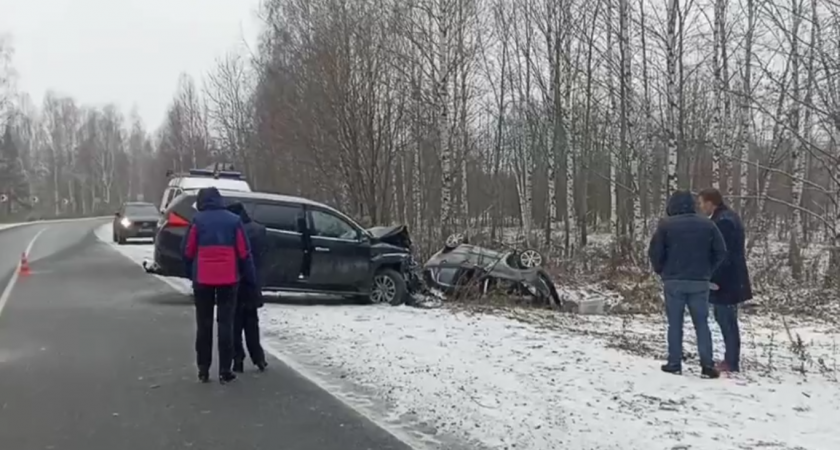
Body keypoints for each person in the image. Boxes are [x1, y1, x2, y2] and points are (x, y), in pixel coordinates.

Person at [648, 190, 727, 379]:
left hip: (674, 280)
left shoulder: (666, 225)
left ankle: (674, 362)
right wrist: (708, 270)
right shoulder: (707, 224)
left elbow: (655, 252)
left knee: (675, 324)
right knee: (702, 324)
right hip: (699, 281)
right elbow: (720, 251)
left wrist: (662, 270)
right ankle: (707, 364)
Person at [182, 187, 256, 384]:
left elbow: (188, 250)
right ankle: (225, 369)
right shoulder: (234, 220)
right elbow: (244, 252)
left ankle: (203, 369)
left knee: (203, 324)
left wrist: (191, 272)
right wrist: (249, 277)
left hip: (203, 279)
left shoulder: (198, 220)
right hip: (229, 279)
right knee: (226, 324)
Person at [698, 188, 753, 373]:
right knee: (725, 319)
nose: (700, 207)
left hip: (727, 280)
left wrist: (714, 278)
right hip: (730, 278)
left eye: (701, 203)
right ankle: (730, 359)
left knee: (726, 319)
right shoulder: (726, 217)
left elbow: (722, 254)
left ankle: (731, 361)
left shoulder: (723, 222)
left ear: (709, 202)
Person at [226, 202, 268, 373]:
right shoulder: (259, 230)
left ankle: (238, 359)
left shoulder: (231, 231)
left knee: (234, 324)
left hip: (234, 281)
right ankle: (258, 358)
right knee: (252, 323)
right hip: (252, 281)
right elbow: (264, 256)